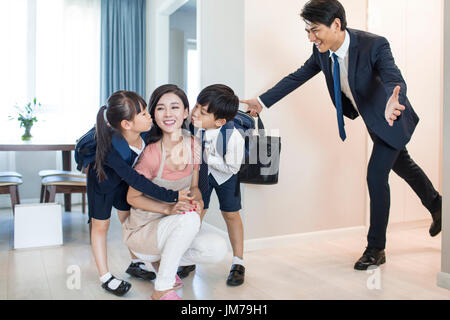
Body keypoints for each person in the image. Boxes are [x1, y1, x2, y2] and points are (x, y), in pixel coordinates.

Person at [241, 0, 442, 270]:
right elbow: (297, 77)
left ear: (336, 24)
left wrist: (394, 100)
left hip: (392, 117)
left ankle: (376, 248)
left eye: (315, 30)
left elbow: (393, 76)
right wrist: (262, 102)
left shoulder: (374, 44)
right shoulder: (322, 52)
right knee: (403, 165)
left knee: (375, 175)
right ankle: (438, 205)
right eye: (307, 32)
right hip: (374, 121)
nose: (311, 38)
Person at [123, 84, 228, 300]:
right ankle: (162, 288)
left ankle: (164, 266)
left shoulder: (195, 145)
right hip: (143, 232)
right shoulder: (151, 154)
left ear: (186, 112)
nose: (168, 114)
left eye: (175, 107)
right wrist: (169, 208)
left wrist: (196, 201)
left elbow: (195, 189)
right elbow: (132, 197)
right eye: (161, 108)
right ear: (153, 114)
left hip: (173, 227)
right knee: (188, 219)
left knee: (216, 248)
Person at [88, 90, 194, 296]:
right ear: (127, 124)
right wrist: (173, 196)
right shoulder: (111, 148)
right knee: (101, 225)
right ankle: (105, 277)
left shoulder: (145, 133)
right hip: (102, 182)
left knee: (128, 218)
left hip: (124, 183)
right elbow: (137, 180)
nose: (150, 116)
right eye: (144, 114)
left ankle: (138, 262)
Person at [178, 84, 246, 286]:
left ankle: (238, 261)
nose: (195, 113)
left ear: (220, 121)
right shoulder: (196, 128)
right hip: (203, 175)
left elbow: (232, 168)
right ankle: (189, 258)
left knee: (231, 215)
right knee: (196, 213)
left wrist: (206, 155)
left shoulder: (234, 137)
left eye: (203, 111)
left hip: (226, 177)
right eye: (197, 106)